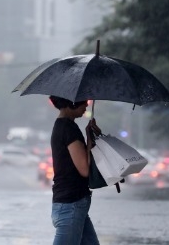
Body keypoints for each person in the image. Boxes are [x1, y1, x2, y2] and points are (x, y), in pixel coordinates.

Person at [49, 95, 101, 245]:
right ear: (72, 102)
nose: (86, 106)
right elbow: (84, 169)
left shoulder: (63, 126)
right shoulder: (68, 128)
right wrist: (90, 139)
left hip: (73, 204)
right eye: (83, 102)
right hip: (71, 204)